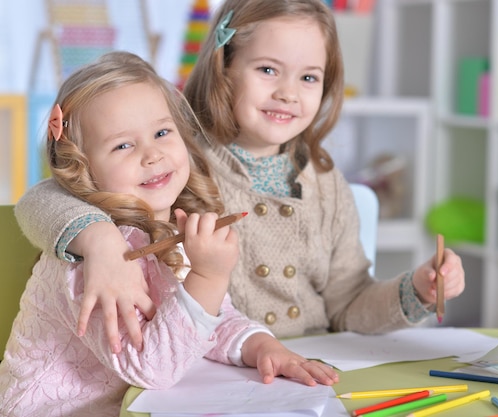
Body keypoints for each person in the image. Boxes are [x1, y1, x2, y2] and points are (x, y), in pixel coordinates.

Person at [14, 0, 465, 344]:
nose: (289, 93)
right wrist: (101, 243)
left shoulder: (328, 186)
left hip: (309, 376)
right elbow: (42, 198)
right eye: (268, 69)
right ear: (224, 67)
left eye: (308, 78)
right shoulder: (178, 155)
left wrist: (418, 291)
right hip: (206, 368)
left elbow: (348, 305)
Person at [0, 51, 337, 417]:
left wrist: (262, 347)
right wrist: (208, 276)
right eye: (123, 145)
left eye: (162, 132)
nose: (152, 154)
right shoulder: (90, 260)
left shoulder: (172, 229)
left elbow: (214, 319)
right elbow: (151, 367)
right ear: (82, 168)